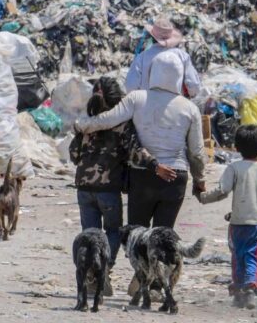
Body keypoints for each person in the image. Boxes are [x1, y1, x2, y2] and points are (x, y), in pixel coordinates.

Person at [75, 51, 206, 228]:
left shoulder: (136, 98)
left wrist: (81, 125)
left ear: (152, 72)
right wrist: (199, 180)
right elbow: (196, 153)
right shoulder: (190, 108)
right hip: (175, 177)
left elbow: (107, 120)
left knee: (136, 232)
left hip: (142, 176)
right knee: (163, 234)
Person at [69, 77, 171, 295]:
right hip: (109, 190)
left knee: (89, 234)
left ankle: (91, 276)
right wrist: (155, 165)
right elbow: (136, 152)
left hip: (84, 189)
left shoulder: (86, 124)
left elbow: (73, 155)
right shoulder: (122, 126)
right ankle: (104, 270)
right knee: (112, 232)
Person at [196, 125, 257, 310]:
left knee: (237, 255)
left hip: (237, 223)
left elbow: (222, 191)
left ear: (236, 147)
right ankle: (251, 288)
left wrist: (203, 197)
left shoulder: (234, 168)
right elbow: (253, 195)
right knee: (253, 255)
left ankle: (238, 291)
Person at [125, 17, 202, 98]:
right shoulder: (182, 56)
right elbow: (194, 86)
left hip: (147, 102)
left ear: (152, 37)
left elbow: (131, 86)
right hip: (175, 103)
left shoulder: (142, 58)